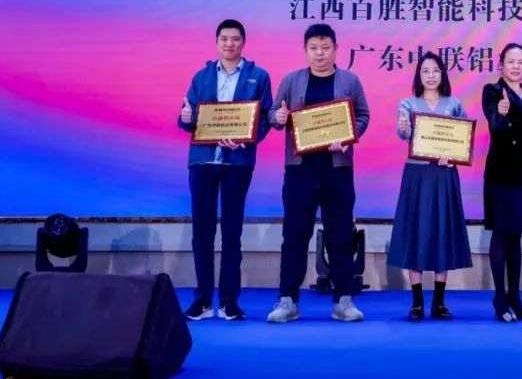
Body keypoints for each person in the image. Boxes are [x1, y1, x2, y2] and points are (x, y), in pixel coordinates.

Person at [266, 23, 371, 323]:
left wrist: (349, 136)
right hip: (300, 170)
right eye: (314, 48)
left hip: (337, 169)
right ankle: (288, 300)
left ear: (336, 49)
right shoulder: (292, 80)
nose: (320, 54)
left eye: (325, 48)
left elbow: (363, 115)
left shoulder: (350, 80)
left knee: (341, 234)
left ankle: (343, 301)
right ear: (305, 50)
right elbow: (272, 114)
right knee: (294, 234)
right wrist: (279, 117)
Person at [177, 19, 272, 322]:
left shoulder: (259, 76)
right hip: (203, 162)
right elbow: (187, 117)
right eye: (224, 39)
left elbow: (265, 119)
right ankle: (203, 300)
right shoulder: (201, 76)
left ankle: (229, 301)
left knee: (232, 233)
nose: (229, 44)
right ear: (216, 42)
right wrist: (186, 117)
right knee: (202, 233)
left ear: (244, 42)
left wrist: (247, 138)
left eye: (235, 39)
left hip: (237, 163)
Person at [388, 52, 473, 321]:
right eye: (425, 71)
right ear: (419, 75)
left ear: (443, 74)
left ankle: (439, 302)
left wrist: (454, 157)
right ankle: (416, 302)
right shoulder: (408, 103)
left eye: (435, 70)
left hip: (444, 175)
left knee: (441, 233)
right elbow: (403, 133)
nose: (431, 75)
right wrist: (403, 127)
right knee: (416, 233)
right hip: (417, 175)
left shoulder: (454, 104)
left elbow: (464, 140)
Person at [481, 43, 522, 322]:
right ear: (501, 64)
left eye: (521, 62)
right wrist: (502, 112)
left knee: (516, 236)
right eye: (511, 62)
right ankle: (500, 299)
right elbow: (494, 125)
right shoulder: (493, 91)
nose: (516, 67)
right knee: (501, 234)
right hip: (502, 175)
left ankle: (515, 298)